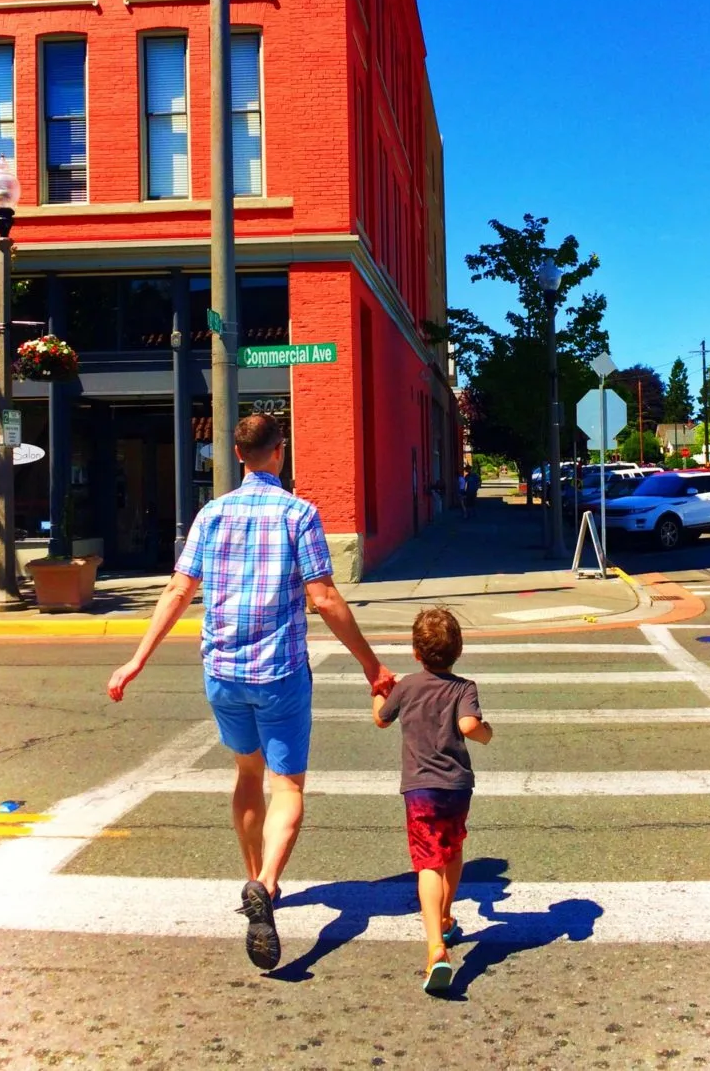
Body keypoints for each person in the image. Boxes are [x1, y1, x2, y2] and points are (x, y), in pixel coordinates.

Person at [107, 413, 395, 972]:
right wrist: (372, 667)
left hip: (223, 671)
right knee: (287, 785)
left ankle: (252, 879)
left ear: (238, 456)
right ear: (279, 452)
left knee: (246, 775)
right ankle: (266, 882)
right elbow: (326, 598)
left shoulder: (210, 514)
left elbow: (178, 589)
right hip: (281, 672)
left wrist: (136, 659)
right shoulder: (298, 513)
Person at [372, 607, 493, 994]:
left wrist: (380, 692)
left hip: (420, 789)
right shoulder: (464, 687)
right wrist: (487, 732)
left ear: (415, 651)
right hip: (456, 787)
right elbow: (469, 726)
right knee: (453, 849)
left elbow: (381, 719)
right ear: (458, 650)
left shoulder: (406, 686)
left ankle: (436, 949)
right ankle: (444, 917)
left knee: (427, 862)